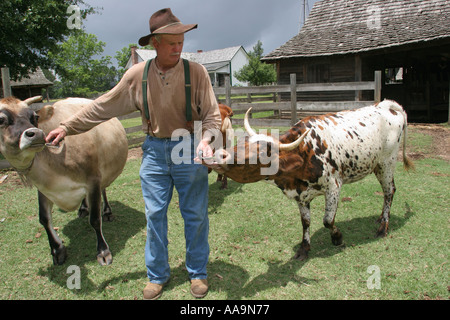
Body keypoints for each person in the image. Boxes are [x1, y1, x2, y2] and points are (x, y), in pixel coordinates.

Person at [46, 8, 221, 300]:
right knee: (154, 216)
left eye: (181, 41)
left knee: (195, 215)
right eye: (171, 42)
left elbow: (213, 117)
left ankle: (198, 272)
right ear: (155, 43)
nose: (178, 47)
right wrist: (66, 126)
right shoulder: (137, 75)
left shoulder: (197, 72)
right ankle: (157, 275)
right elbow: (101, 106)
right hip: (153, 151)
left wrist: (206, 141)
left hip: (188, 146)